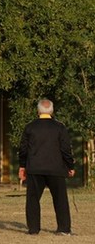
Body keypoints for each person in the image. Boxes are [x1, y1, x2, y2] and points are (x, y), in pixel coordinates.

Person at [18, 99, 75, 235]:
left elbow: (23, 149)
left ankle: (33, 229)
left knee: (32, 199)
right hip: (56, 168)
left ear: (38, 111)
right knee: (60, 199)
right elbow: (66, 149)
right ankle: (64, 228)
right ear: (52, 111)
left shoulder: (30, 127)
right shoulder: (60, 127)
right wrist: (70, 165)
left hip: (35, 168)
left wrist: (22, 166)